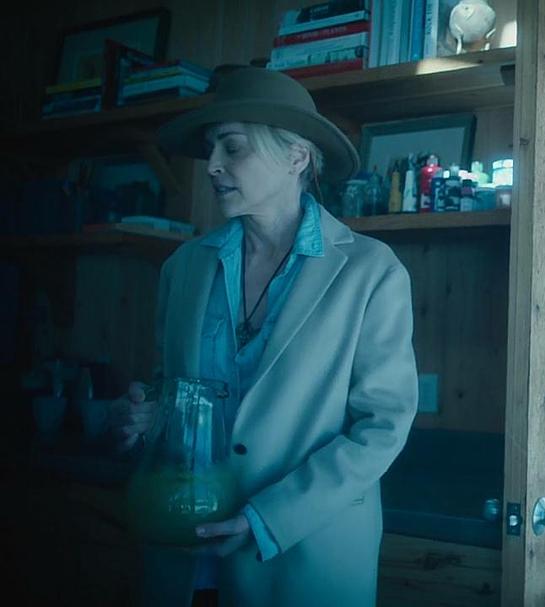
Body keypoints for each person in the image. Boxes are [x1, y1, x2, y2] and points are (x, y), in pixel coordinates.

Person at [108, 67, 418, 607]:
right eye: (211, 149)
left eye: (232, 147)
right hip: (182, 559)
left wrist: (270, 518)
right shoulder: (184, 267)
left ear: (296, 157)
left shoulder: (372, 271)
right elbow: (171, 388)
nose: (212, 165)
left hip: (303, 560)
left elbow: (382, 426)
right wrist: (145, 418)